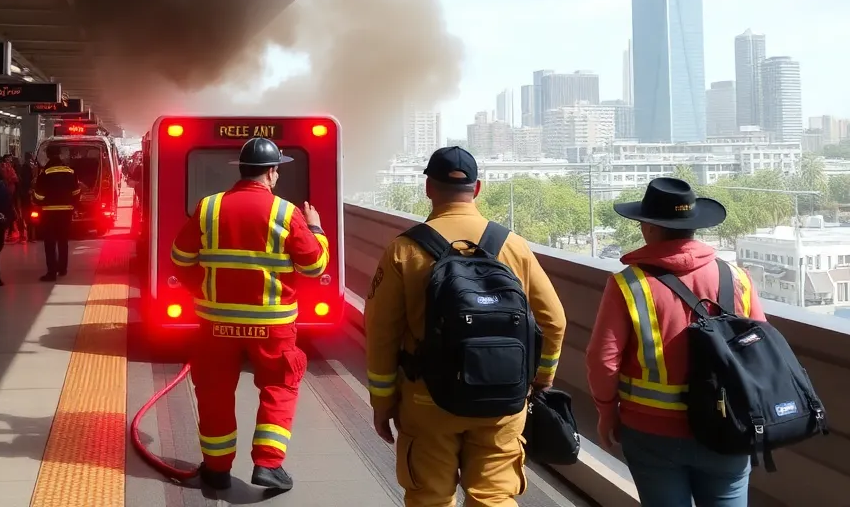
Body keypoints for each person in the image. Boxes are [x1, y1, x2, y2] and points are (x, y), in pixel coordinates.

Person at [365, 146, 566, 507]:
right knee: (493, 496)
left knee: (430, 496)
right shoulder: (512, 245)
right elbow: (554, 320)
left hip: (427, 398)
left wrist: (382, 401)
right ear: (477, 189)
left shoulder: (405, 249)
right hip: (502, 397)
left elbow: (381, 333)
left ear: (429, 188)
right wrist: (540, 378)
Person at [586, 178, 765, 507]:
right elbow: (760, 353)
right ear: (694, 227)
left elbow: (603, 359)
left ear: (649, 228)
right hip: (729, 427)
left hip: (652, 433)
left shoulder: (629, 284)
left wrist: (607, 412)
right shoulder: (738, 278)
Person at [169, 137, 329, 493]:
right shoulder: (287, 213)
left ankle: (215, 470)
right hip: (273, 326)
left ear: (241, 171)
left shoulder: (208, 208)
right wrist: (316, 228)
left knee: (213, 393)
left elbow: (180, 259)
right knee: (278, 387)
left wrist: (205, 290)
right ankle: (269, 466)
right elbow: (314, 265)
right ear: (272, 174)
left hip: (215, 326)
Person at [34, 147, 80, 282]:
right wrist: (72, 204)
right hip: (66, 211)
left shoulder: (45, 173)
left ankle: (51, 272)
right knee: (63, 240)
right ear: (60, 155)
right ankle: (63, 268)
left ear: (48, 156)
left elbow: (39, 195)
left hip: (49, 212)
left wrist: (38, 201)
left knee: (49, 242)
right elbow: (76, 192)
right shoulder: (70, 172)